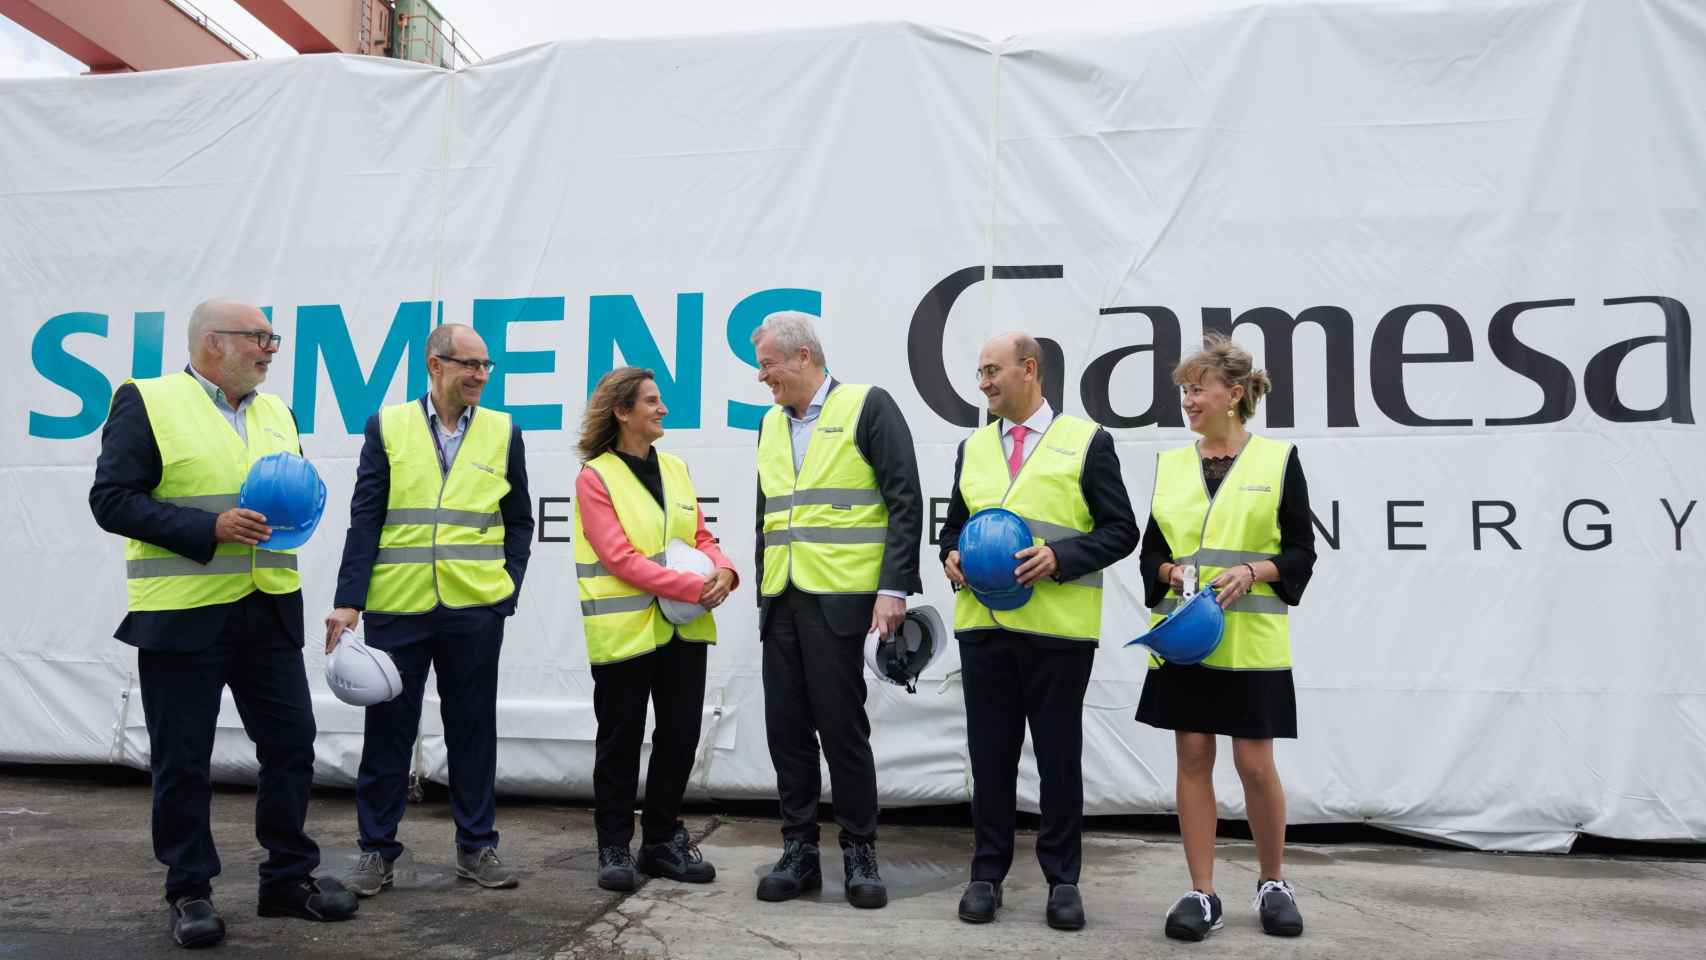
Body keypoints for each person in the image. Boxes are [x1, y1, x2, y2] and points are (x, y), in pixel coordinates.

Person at [89, 299, 358, 948]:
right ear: (215, 343)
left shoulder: (277, 413)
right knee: (183, 761)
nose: (271, 349)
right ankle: (189, 892)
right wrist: (207, 528)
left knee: (292, 746)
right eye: (260, 338)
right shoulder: (147, 402)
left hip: (267, 610)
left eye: (274, 339)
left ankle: (287, 880)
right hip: (182, 616)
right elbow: (112, 500)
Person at [324, 323, 534, 897]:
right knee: (388, 731)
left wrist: (505, 589)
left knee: (473, 729)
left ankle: (477, 846)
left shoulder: (502, 431)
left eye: (486, 366)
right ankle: (376, 850)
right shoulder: (387, 426)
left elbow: (519, 519)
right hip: (398, 606)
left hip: (474, 607)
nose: (480, 376)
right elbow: (365, 517)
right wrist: (349, 603)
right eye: (469, 365)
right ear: (435, 365)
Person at [939, 332, 1138, 931]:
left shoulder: (1086, 441)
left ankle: (1062, 881)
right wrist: (949, 557)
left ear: (1030, 369)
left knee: (1058, 759)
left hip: (1058, 632)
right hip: (984, 628)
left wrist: (1059, 557)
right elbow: (951, 529)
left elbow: (1120, 531)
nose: (983, 383)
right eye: (979, 373)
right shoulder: (972, 447)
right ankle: (986, 875)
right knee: (990, 756)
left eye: (992, 371)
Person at [1135, 333, 1316, 941]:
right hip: (1188, 641)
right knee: (1191, 756)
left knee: (1254, 764)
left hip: (1253, 642)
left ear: (1233, 394)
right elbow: (1152, 553)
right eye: (1183, 390)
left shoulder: (1277, 460)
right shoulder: (1169, 465)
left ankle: (1272, 883)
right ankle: (1201, 892)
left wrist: (1255, 569)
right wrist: (1169, 572)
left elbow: (1300, 552)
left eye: (1197, 389)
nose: (1187, 400)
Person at [750, 311, 923, 909]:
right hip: (783, 603)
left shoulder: (867, 406)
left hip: (842, 603)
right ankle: (798, 852)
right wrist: (762, 597)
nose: (762, 376)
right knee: (787, 733)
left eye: (768, 364)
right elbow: (767, 516)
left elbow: (905, 499)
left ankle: (859, 852)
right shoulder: (771, 426)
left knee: (843, 733)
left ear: (803, 357)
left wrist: (894, 588)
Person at [572, 367, 739, 892]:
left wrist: (725, 569)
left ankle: (661, 843)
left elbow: (700, 535)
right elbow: (619, 558)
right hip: (625, 634)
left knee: (680, 737)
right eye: (651, 401)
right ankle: (614, 848)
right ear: (622, 412)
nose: (663, 409)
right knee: (620, 742)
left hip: (682, 633)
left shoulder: (676, 468)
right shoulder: (595, 477)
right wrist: (692, 589)